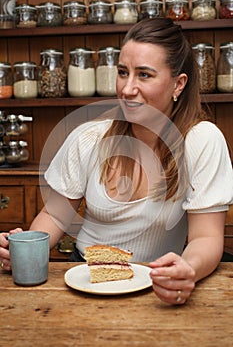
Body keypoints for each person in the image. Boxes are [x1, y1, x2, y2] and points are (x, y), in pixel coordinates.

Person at [0, 17, 233, 305]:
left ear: (178, 84)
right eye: (123, 72)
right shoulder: (88, 137)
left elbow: (206, 238)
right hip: (85, 276)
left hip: (155, 281)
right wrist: (23, 249)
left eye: (144, 75)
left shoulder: (201, 141)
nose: (127, 88)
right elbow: (56, 216)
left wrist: (188, 269)